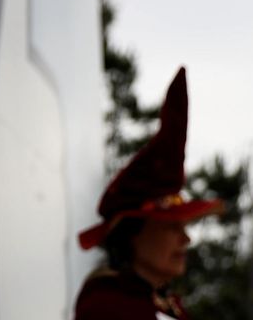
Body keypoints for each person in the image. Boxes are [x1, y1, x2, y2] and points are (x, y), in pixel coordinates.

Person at [74, 68, 221, 320]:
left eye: (183, 226)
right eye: (172, 227)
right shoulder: (105, 307)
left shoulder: (167, 305)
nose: (186, 239)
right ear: (133, 232)